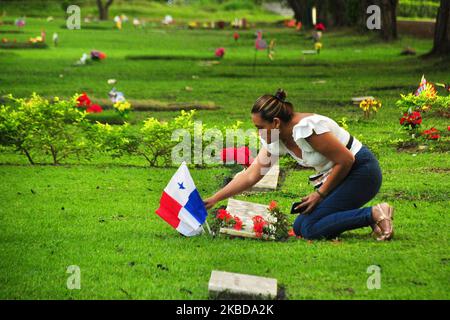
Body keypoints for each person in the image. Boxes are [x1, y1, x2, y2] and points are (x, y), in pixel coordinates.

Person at [203, 89, 394, 241]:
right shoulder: (277, 138)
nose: (258, 133)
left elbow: (346, 160)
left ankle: (373, 213)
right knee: (300, 226)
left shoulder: (307, 128)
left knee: (309, 228)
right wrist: (215, 199)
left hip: (361, 173)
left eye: (259, 127)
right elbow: (252, 175)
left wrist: (319, 195)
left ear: (276, 122)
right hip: (338, 178)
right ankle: (370, 217)